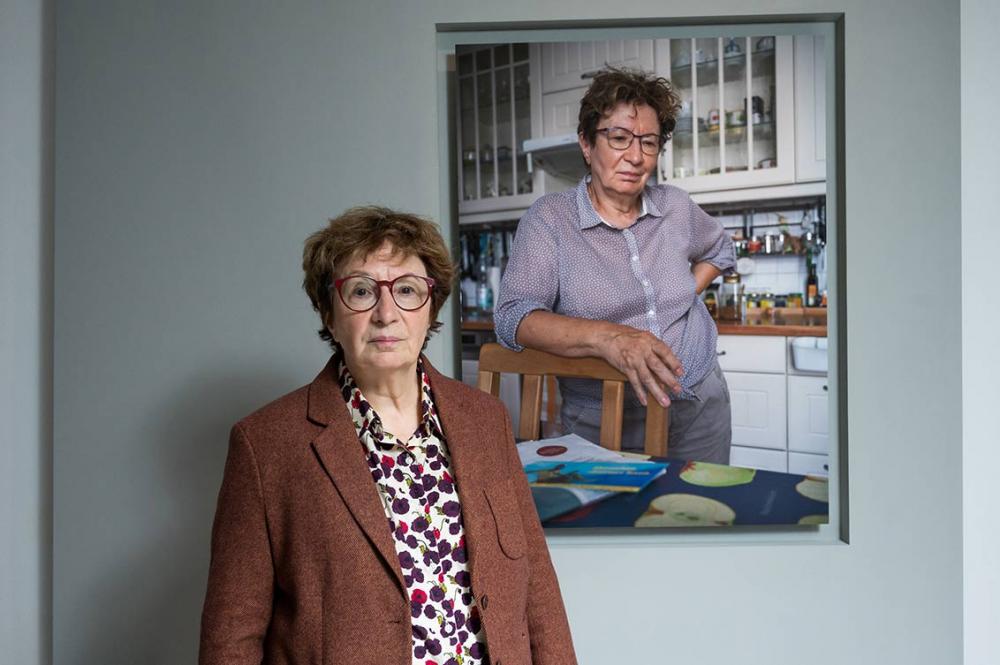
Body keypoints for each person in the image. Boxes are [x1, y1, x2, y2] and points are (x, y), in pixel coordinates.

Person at [200, 206, 576, 665]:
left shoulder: (485, 419)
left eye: (406, 290)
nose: (386, 313)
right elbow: (230, 640)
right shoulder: (266, 445)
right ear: (328, 311)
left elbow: (536, 587)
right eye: (361, 291)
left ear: (430, 307)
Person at [494, 68, 736, 464]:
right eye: (620, 138)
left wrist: (682, 295)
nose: (637, 157)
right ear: (587, 144)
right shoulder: (550, 219)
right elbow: (512, 319)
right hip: (604, 418)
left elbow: (720, 249)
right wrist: (611, 339)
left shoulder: (674, 206)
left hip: (699, 403)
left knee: (703, 515)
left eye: (650, 143)